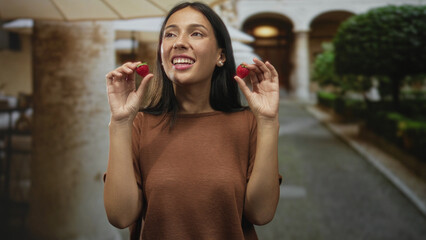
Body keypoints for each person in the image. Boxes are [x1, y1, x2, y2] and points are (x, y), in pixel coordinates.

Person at [104, 2, 281, 239]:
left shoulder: (248, 123)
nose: (178, 42)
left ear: (221, 56)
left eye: (196, 33)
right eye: (170, 34)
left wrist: (268, 122)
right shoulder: (139, 124)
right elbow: (120, 216)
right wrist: (120, 123)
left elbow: (261, 213)